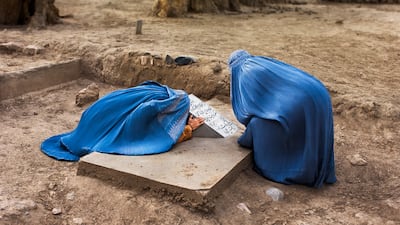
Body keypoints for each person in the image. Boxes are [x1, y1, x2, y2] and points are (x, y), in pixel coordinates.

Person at [228, 50, 336, 188]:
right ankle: (314, 165)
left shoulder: (245, 72)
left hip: (302, 103)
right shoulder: (263, 63)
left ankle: (292, 169)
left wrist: (245, 138)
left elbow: (255, 108)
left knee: (258, 124)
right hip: (318, 94)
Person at [41, 81, 204, 161]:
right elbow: (158, 134)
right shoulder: (152, 108)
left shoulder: (154, 91)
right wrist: (188, 129)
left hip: (92, 116)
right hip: (96, 130)